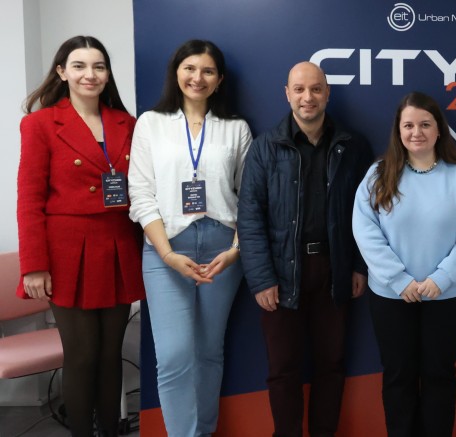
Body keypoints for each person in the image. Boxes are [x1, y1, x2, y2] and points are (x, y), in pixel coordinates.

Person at [16, 35, 144, 437]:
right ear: (62, 72)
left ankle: (109, 431)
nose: (90, 74)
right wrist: (33, 265)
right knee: (82, 355)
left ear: (107, 74)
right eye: (79, 66)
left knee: (110, 355)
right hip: (67, 251)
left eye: (99, 66)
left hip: (118, 245)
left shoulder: (127, 123)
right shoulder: (40, 124)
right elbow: (29, 199)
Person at [237, 61, 373, 437]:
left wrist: (358, 266)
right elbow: (250, 217)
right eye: (299, 89)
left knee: (331, 364)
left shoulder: (353, 146)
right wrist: (261, 279)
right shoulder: (265, 147)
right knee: (283, 370)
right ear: (287, 94)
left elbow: (368, 214)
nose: (307, 97)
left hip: (335, 270)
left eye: (315, 89)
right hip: (281, 274)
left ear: (327, 93)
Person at [128, 39, 251, 437]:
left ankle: (204, 431)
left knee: (209, 351)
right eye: (190, 68)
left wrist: (236, 251)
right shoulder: (151, 123)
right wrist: (166, 254)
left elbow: (249, 197)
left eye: (208, 71)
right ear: (176, 73)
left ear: (219, 80)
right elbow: (140, 193)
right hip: (166, 248)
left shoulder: (235, 129)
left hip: (222, 250)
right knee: (174, 356)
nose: (198, 78)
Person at [352, 91, 456, 437]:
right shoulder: (378, 174)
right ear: (398, 131)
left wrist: (442, 278)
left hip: (447, 295)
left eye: (425, 124)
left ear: (439, 129)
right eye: (409, 125)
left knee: (439, 376)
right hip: (391, 296)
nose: (417, 132)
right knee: (398, 376)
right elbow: (365, 230)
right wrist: (399, 280)